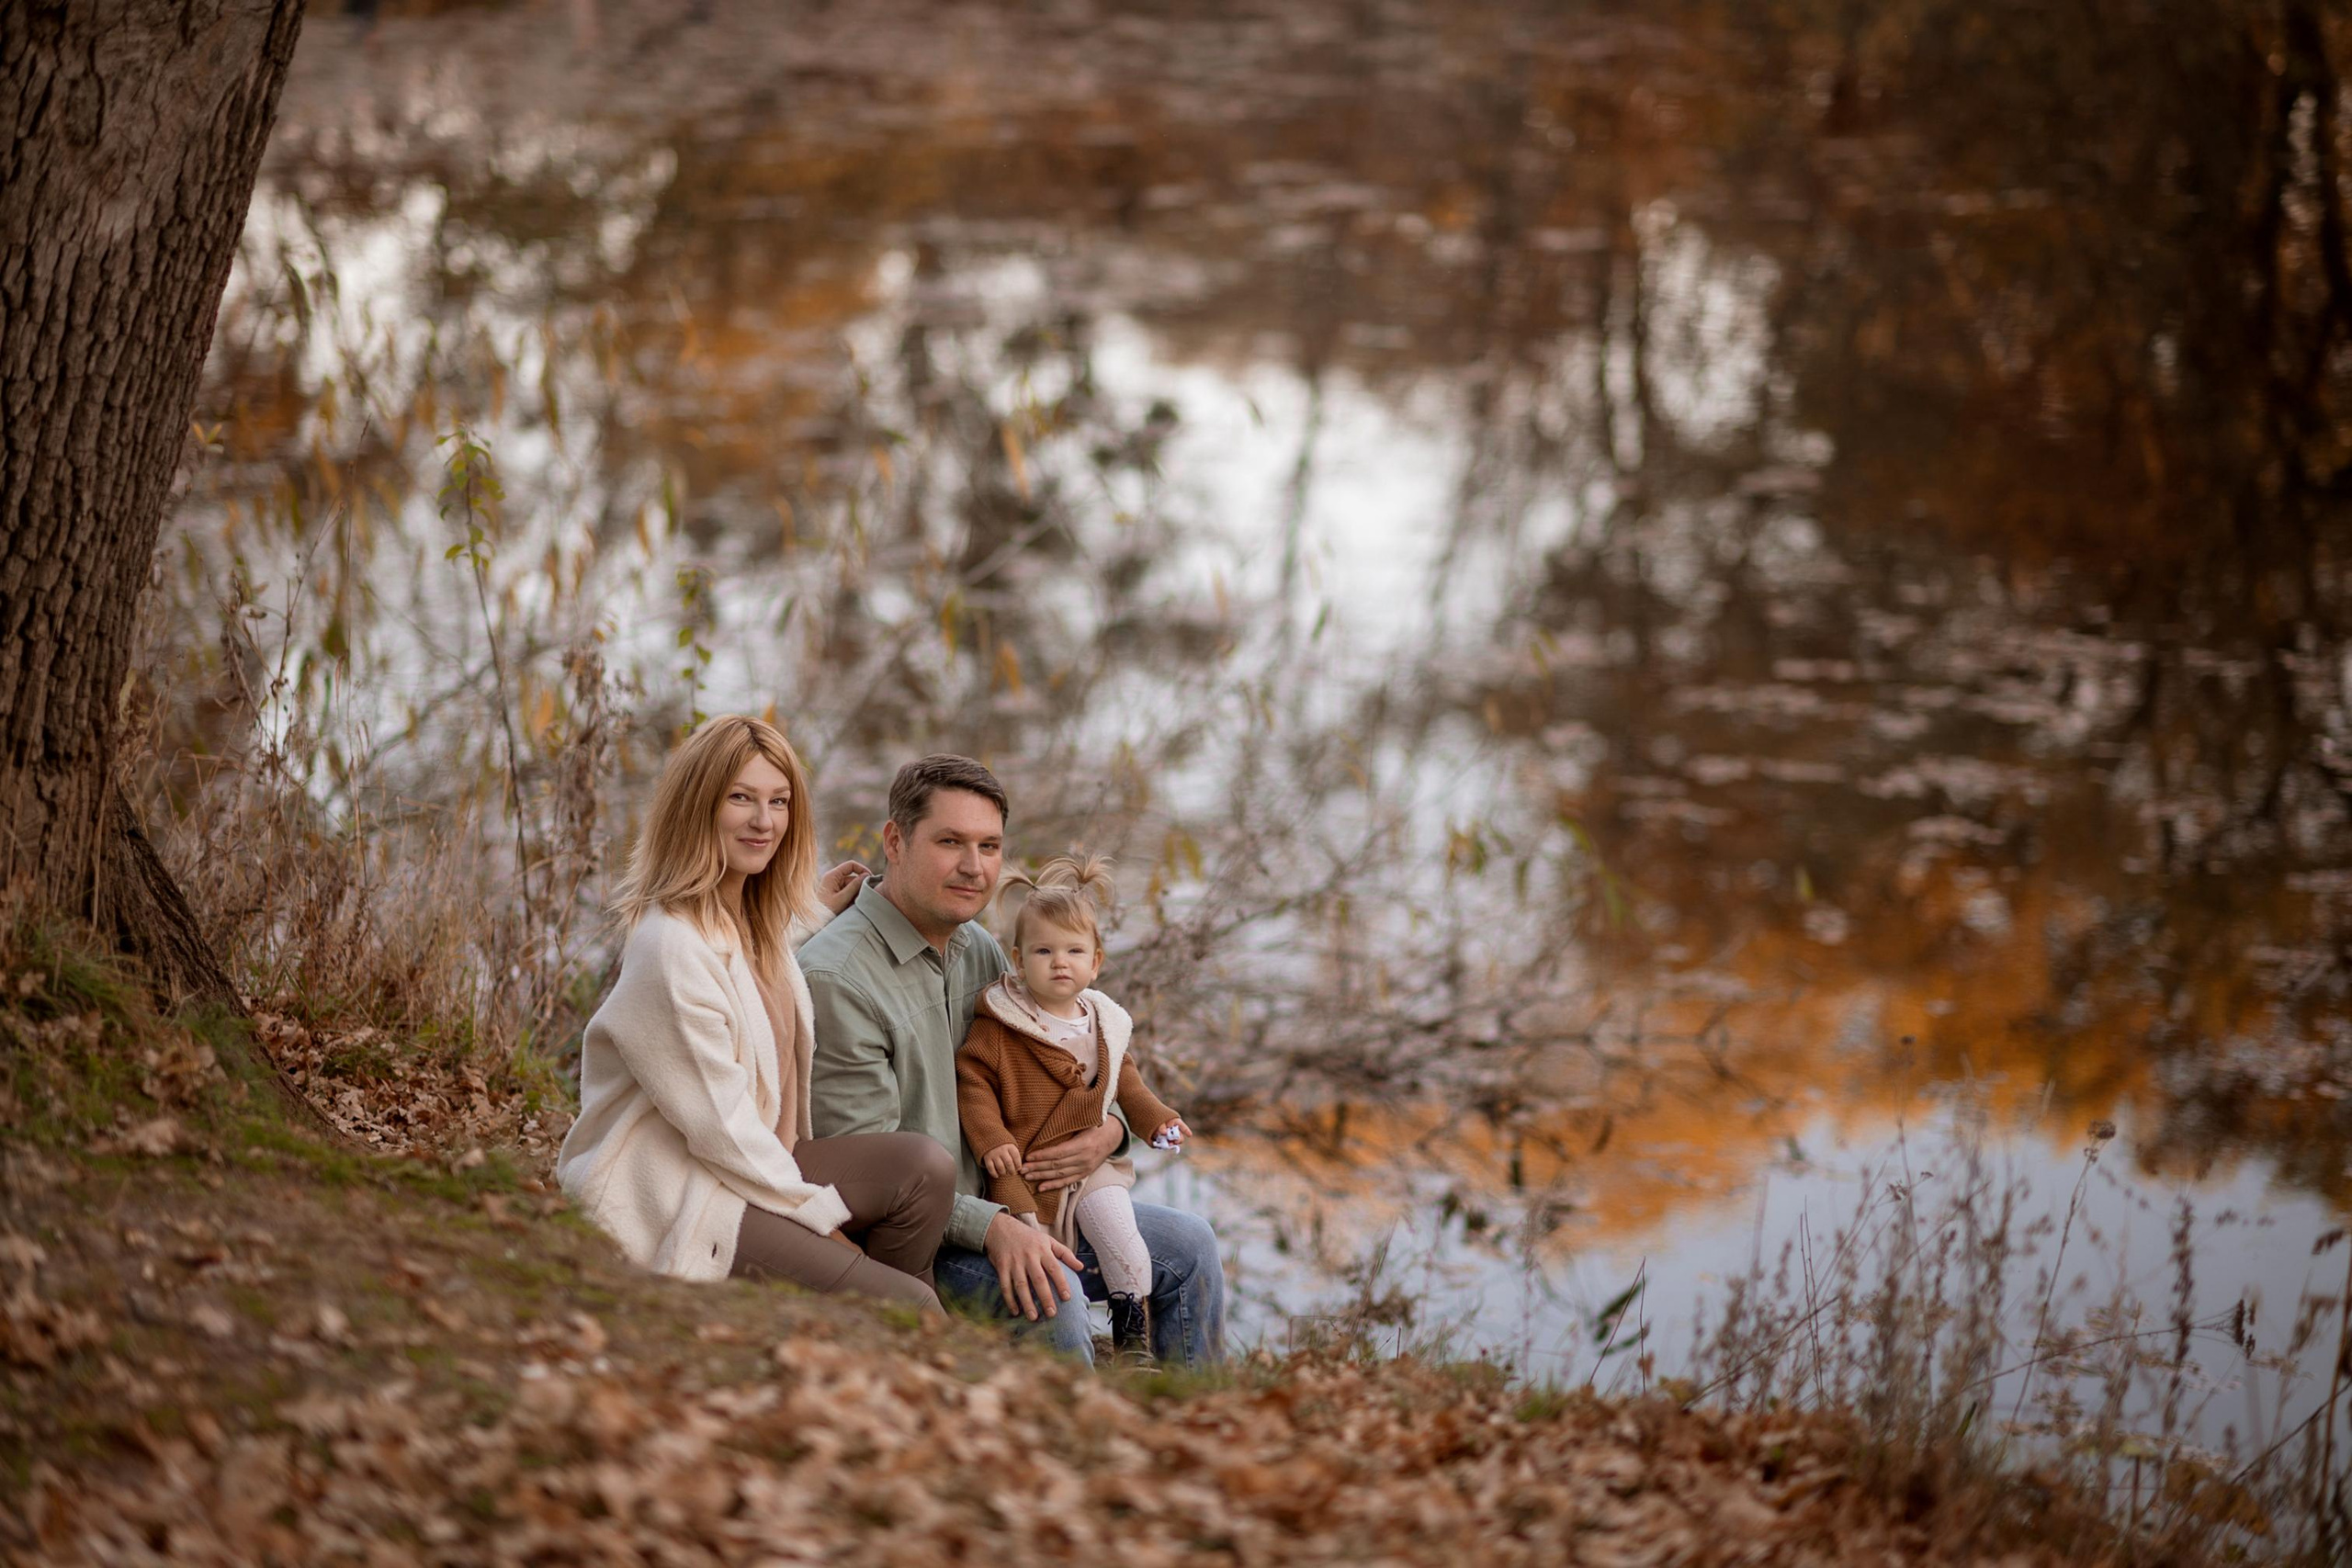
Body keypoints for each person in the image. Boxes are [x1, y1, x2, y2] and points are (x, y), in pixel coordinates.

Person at [801, 753, 1227, 1365]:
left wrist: (1111, 1131)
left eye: (990, 845)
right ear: (895, 841)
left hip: (1029, 1199)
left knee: (1190, 1244)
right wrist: (995, 1226)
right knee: (1054, 1297)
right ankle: (1068, 1447)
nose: (974, 866)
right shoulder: (840, 979)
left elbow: (1061, 1058)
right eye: (950, 841)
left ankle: (1193, 1427)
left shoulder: (976, 946)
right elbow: (873, 1176)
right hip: (921, 1237)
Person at [556, 715, 954, 1309]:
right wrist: (820, 1221)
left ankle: (862, 1319)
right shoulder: (670, 946)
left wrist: (808, 908)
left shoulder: (755, 924)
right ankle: (883, 1307)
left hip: (758, 1156)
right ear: (699, 806)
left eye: (778, 801)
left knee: (926, 1166)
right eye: (741, 798)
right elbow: (723, 1131)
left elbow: (751, 979)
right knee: (911, 1306)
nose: (764, 821)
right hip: (687, 1182)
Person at [956, 852, 1192, 1360]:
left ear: (1095, 961)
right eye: (1043, 951)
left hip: (1091, 1172)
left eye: (1073, 950)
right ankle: (1065, 1344)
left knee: (1122, 1235)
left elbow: (1125, 1083)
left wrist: (1157, 1120)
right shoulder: (1002, 1026)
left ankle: (1133, 1338)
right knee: (1043, 1268)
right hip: (1026, 1171)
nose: (1059, 962)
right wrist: (992, 1139)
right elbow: (971, 1084)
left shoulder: (1103, 1023)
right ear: (1018, 961)